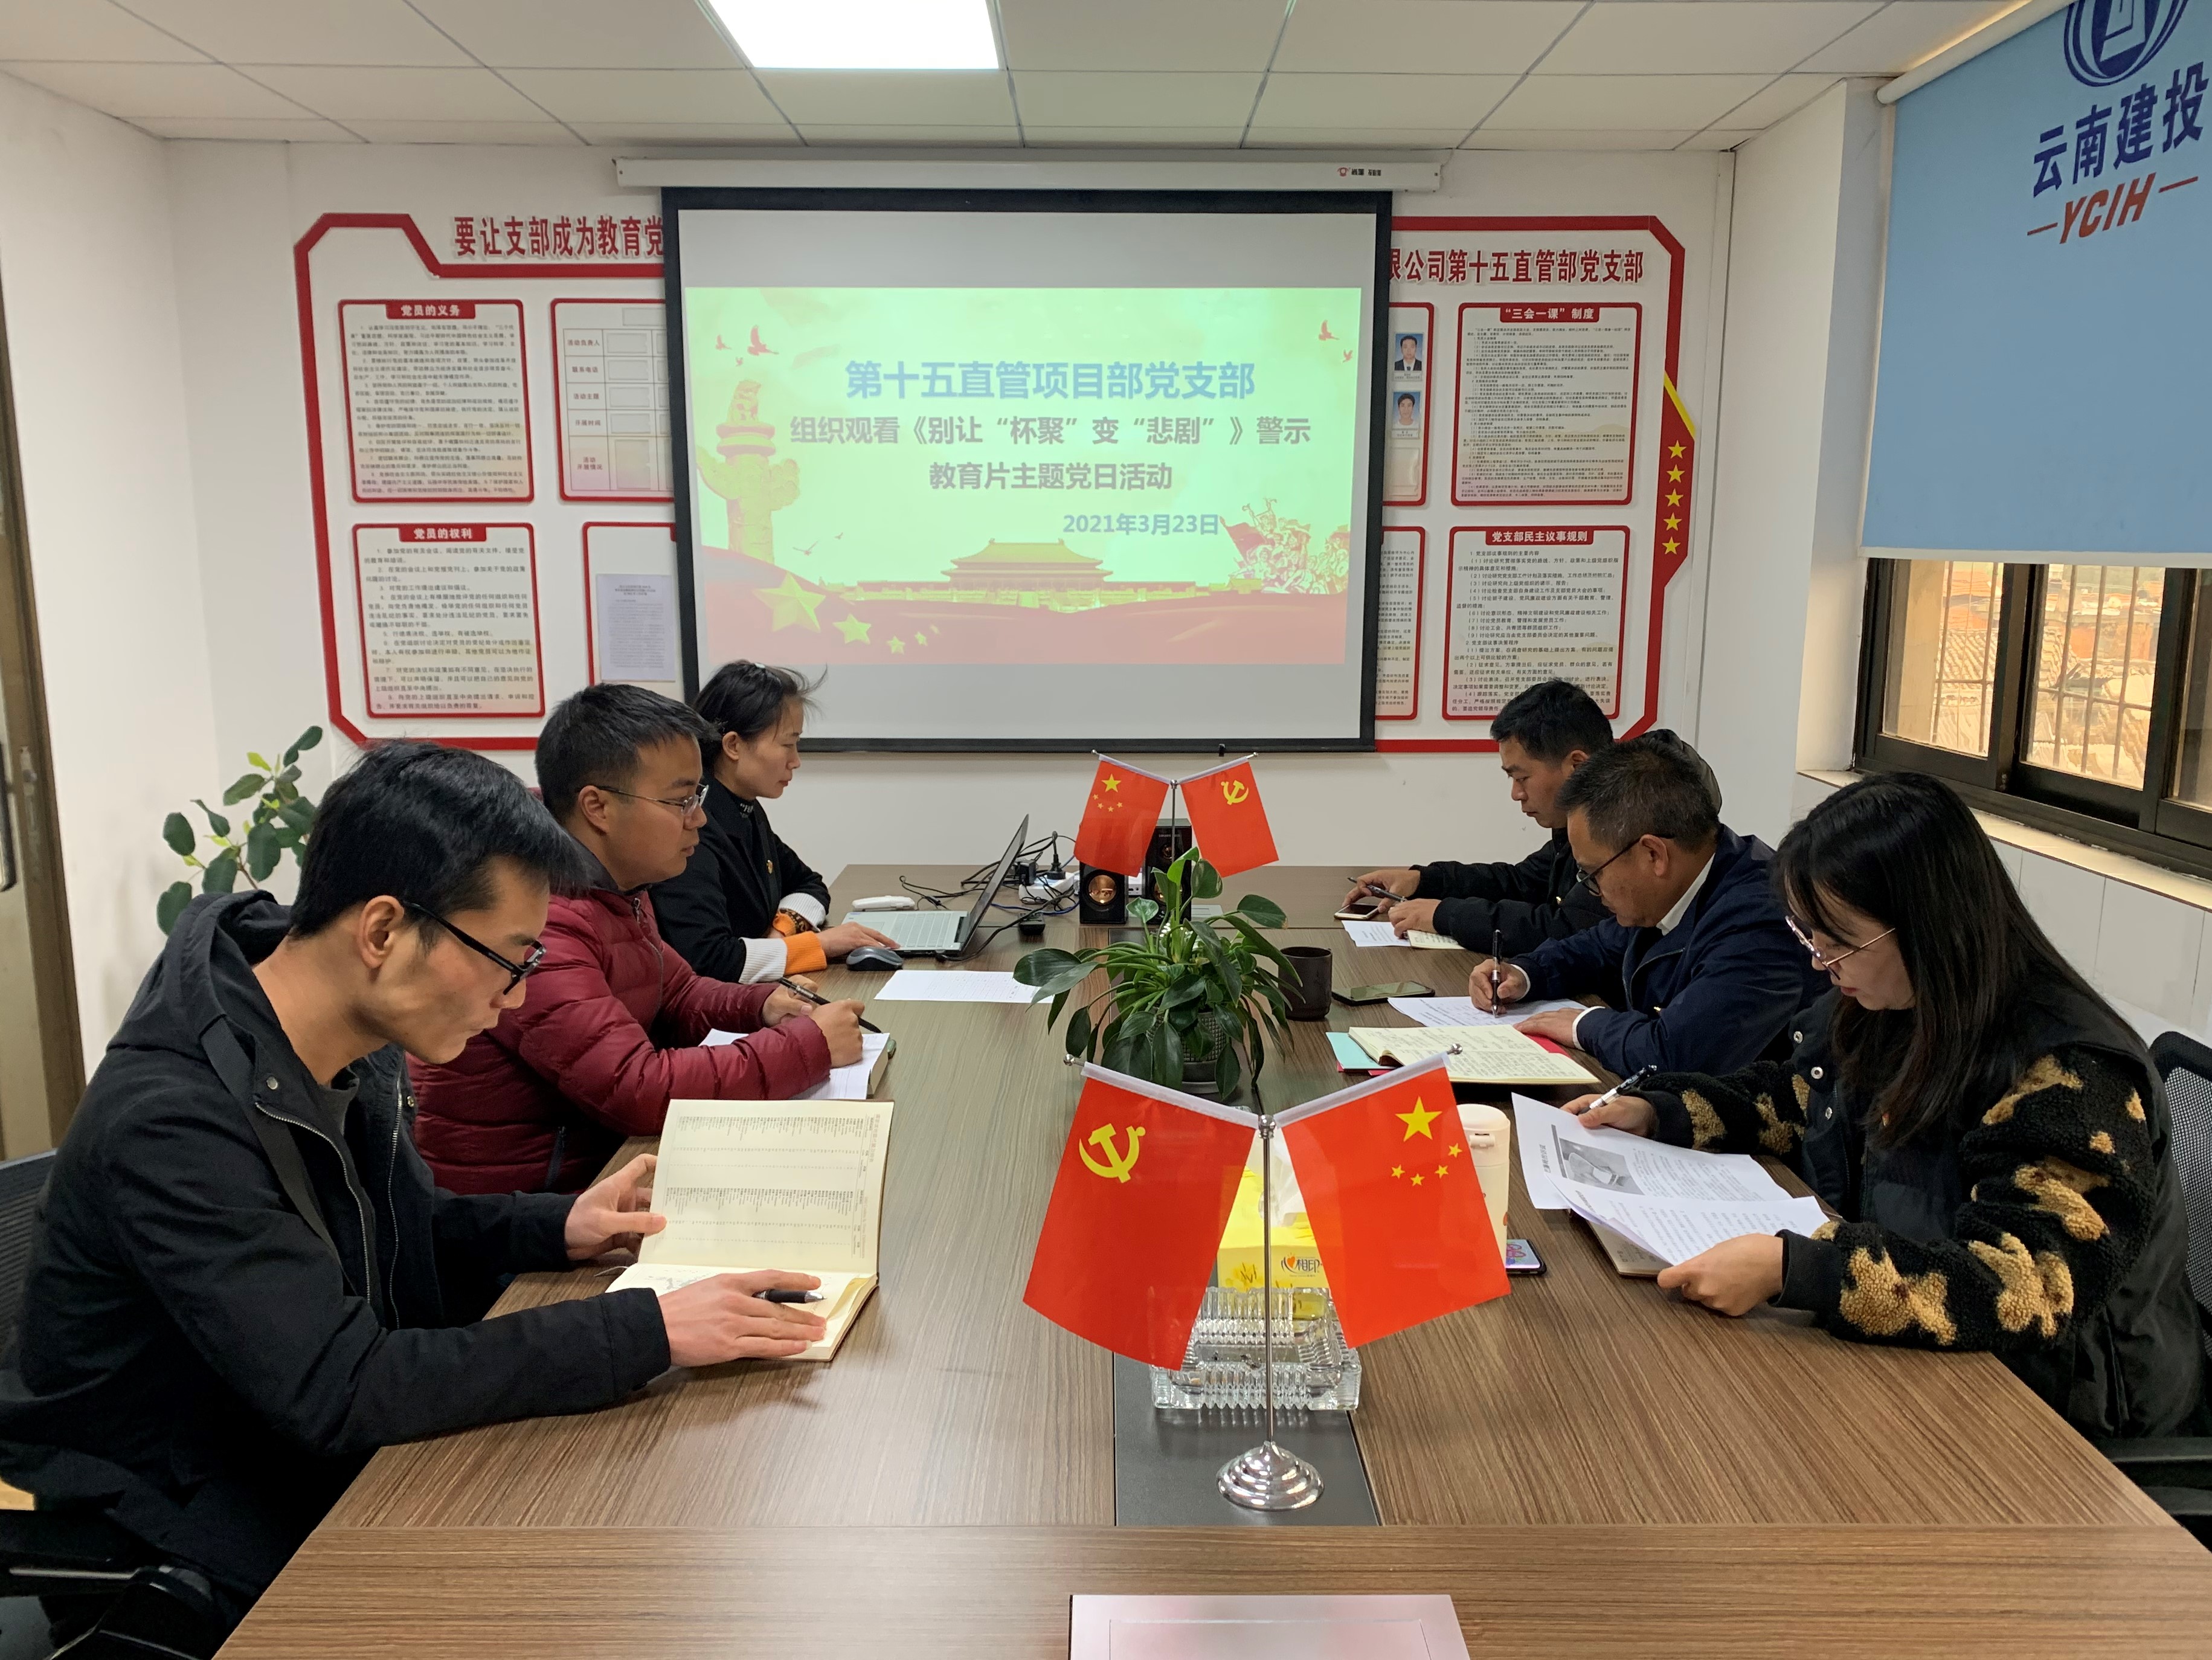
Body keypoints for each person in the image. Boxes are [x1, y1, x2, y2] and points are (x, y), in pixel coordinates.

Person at [0, 743, 833, 1640]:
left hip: (296, 1456)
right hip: (189, 1528)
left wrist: (562, 1226)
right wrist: (649, 1329)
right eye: (507, 959)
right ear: (383, 932)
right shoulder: (172, 1122)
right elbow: (342, 1387)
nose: (515, 999)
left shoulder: (340, 1031)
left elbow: (402, 1221)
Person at [1564, 772, 2205, 1440]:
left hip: (2058, 1411)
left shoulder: (2069, 1072)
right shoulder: (1892, 1005)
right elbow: (1800, 1100)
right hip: (1924, 1359)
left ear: (1929, 928)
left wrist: (1795, 1270)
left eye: (1839, 941)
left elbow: (2024, 1286)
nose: (1820, 963)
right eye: (1809, 935)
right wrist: (1662, 1112)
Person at [411, 685, 863, 1194]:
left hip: (606, 1168)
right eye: (681, 800)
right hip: (536, 1206)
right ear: (598, 807)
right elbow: (635, 1089)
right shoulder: (539, 917)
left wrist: (762, 1006)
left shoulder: (618, 883)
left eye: (698, 798)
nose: (699, 818)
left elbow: (678, 991)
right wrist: (806, 1047)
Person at [1467, 733, 1827, 1075]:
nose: (1592, 890)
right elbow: (1598, 946)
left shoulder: (1760, 921)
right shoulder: (1674, 888)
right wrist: (1525, 973)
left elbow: (1677, 1054)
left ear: (1653, 854)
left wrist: (1583, 1024)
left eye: (1594, 874)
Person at [652, 661, 895, 983]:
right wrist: (819, 945)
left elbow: (809, 884)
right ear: (734, 745)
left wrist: (782, 932)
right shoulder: (694, 826)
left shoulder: (744, 808)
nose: (796, 761)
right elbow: (709, 959)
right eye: (787, 745)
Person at [1346, 680, 1622, 954]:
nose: (1516, 794)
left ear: (1576, 766)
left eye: (1522, 777)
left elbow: (1567, 930)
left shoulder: (1621, 832)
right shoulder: (1577, 825)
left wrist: (1446, 915)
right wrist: (1424, 880)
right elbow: (1520, 882)